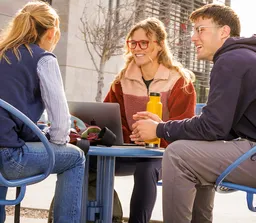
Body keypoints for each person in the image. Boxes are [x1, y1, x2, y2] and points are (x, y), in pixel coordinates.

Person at [131, 4, 256, 223]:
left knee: (178, 154)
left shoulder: (231, 61)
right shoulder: (244, 59)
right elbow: (221, 129)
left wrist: (159, 129)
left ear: (224, 32)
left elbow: (213, 127)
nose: (193, 38)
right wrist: (163, 125)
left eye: (201, 30)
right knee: (194, 153)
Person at [90, 17, 196, 223]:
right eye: (133, 43)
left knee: (146, 169)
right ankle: (106, 217)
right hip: (128, 151)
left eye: (144, 43)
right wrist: (126, 136)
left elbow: (185, 128)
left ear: (159, 46)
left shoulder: (179, 82)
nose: (137, 48)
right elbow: (109, 118)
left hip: (166, 155)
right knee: (88, 161)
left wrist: (156, 135)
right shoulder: (122, 81)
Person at [0, 2, 85, 223]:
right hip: (9, 158)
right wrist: (52, 136)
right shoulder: (43, 58)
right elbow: (60, 128)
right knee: (76, 158)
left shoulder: (2, 53)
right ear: (50, 32)